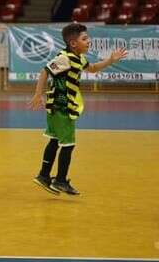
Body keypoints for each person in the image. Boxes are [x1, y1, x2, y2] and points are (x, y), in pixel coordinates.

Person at [29, 23, 127, 196]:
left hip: (56, 107)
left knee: (54, 140)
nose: (88, 41)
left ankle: (44, 175)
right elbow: (45, 72)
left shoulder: (79, 58)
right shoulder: (65, 58)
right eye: (84, 39)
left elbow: (94, 68)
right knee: (68, 144)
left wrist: (111, 60)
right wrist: (38, 94)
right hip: (62, 107)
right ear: (73, 43)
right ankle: (60, 180)